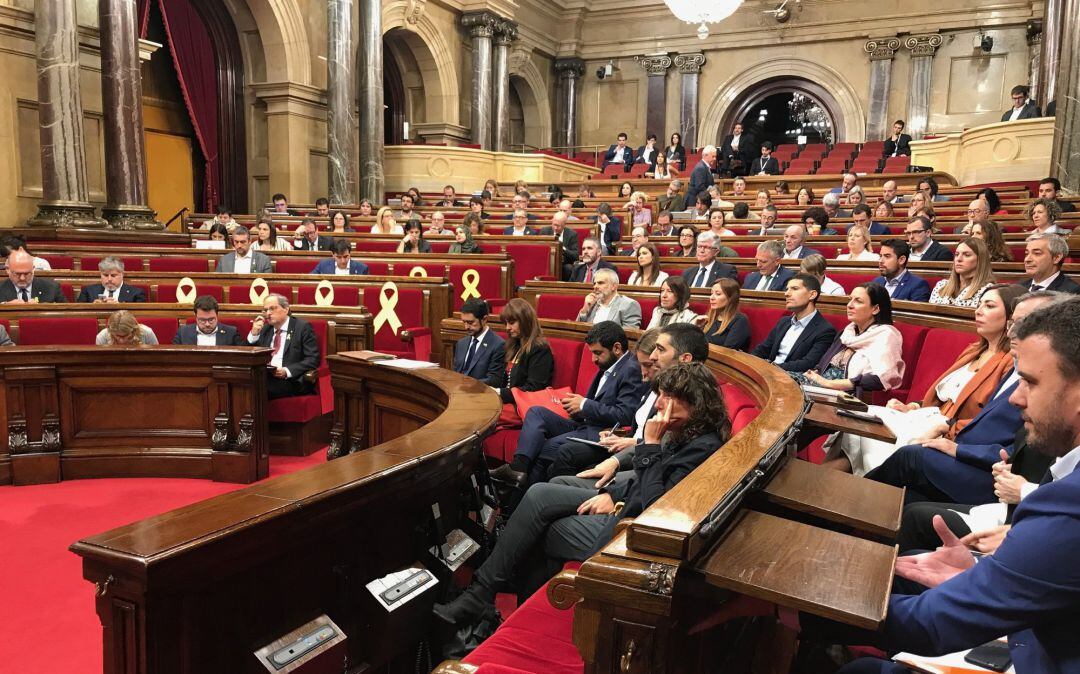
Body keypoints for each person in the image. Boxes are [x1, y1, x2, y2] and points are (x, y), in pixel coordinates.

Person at [829, 297, 1080, 674]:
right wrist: (979, 573)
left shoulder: (1069, 504)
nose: (1016, 397)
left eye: (1030, 382)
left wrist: (800, 601)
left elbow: (932, 624)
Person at [436, 361, 728, 626]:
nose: (658, 404)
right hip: (628, 502)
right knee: (557, 485)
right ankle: (494, 588)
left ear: (695, 403)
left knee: (543, 514)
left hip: (634, 530)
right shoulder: (686, 431)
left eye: (667, 396)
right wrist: (615, 494)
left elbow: (657, 504)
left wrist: (649, 447)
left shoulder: (702, 447)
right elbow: (649, 481)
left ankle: (493, 597)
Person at [825, 284, 1019, 475]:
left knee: (862, 431)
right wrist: (913, 407)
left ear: (1011, 317)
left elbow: (990, 418)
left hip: (949, 431)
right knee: (856, 420)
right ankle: (825, 492)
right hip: (927, 417)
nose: (979, 311)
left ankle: (831, 491)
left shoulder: (1010, 362)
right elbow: (945, 395)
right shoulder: (973, 350)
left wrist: (947, 427)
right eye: (979, 304)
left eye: (990, 306)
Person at [490, 321, 649, 488]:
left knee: (544, 448)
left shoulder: (631, 369)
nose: (593, 359)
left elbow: (624, 414)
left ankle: (520, 501)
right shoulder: (609, 363)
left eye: (597, 353)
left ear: (617, 348)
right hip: (583, 423)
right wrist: (576, 407)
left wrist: (584, 405)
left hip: (601, 432)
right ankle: (518, 467)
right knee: (536, 412)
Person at [795, 283, 904, 399]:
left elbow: (883, 378)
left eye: (858, 301)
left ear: (876, 309)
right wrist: (814, 374)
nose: (850, 305)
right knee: (779, 378)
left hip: (844, 393)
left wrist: (829, 383)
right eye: (850, 299)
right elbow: (822, 366)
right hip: (819, 387)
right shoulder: (846, 333)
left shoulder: (886, 335)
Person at [751, 274, 837, 372]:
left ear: (812, 295)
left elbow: (808, 363)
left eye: (794, 289)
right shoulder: (784, 322)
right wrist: (750, 362)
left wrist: (770, 367)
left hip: (790, 379)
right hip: (767, 372)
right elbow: (763, 349)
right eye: (787, 289)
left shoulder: (825, 330)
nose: (786, 294)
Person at [247, 294, 321, 400]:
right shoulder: (265, 329)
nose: (268, 313)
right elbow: (249, 355)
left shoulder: (302, 327)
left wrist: (287, 371)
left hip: (290, 381)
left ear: (286, 309)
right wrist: (254, 334)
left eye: (272, 308)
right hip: (265, 376)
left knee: (258, 387)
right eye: (265, 310)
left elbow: (312, 359)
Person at [493, 298, 554, 411]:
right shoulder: (513, 345)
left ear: (525, 321)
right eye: (506, 323)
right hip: (507, 403)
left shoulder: (540, 349)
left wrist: (500, 392)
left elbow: (534, 388)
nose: (507, 328)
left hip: (524, 406)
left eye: (512, 323)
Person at [453, 298, 506, 386]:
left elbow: (494, 380)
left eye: (470, 322)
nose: (466, 327)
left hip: (480, 395)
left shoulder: (498, 345)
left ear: (484, 319)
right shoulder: (461, 344)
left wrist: (468, 384)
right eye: (464, 322)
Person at [929, 237, 995, 307]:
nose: (959, 259)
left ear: (980, 260)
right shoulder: (941, 286)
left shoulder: (988, 291)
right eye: (957, 254)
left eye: (967, 255)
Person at [695, 278, 751, 351]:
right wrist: (696, 328)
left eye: (718, 294)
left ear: (731, 298)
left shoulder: (740, 320)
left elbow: (728, 351)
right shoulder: (709, 318)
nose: (711, 297)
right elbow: (695, 344)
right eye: (711, 293)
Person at [577, 269, 642, 328]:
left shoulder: (629, 305)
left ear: (613, 286)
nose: (595, 286)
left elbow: (629, 335)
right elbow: (577, 329)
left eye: (600, 283)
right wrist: (585, 308)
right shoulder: (592, 303)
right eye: (594, 283)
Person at [173, 296, 243, 346]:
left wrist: (253, 335)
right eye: (202, 320)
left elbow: (244, 356)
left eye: (211, 319)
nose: (207, 324)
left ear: (217, 315)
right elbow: (174, 357)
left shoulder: (231, 332)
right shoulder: (183, 332)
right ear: (195, 316)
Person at [75, 256, 145, 303]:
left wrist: (120, 308)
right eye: (105, 275)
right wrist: (93, 307)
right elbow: (79, 315)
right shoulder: (88, 291)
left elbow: (138, 317)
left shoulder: (136, 293)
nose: (109, 279)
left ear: (122, 274)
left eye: (113, 275)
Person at [540, 211, 579, 279]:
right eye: (554, 225)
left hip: (563, 263)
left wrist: (562, 248)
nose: (555, 228)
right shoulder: (544, 231)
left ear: (564, 224)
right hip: (546, 262)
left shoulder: (572, 234)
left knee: (569, 268)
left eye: (558, 226)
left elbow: (575, 255)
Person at [684, 145, 718, 210]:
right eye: (713, 156)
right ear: (705, 155)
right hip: (694, 201)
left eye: (715, 156)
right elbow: (700, 187)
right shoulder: (701, 168)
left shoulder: (704, 166)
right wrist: (710, 195)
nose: (715, 159)